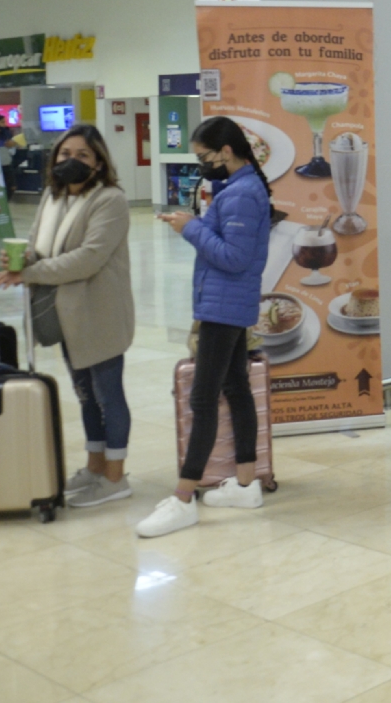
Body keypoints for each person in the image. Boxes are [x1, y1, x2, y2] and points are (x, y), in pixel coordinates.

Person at [137, 116, 272, 538]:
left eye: (204, 157)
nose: (202, 165)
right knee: (234, 387)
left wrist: (190, 228)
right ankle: (246, 484)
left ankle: (183, 498)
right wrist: (193, 222)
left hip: (223, 307)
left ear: (226, 152)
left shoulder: (243, 194)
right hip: (226, 304)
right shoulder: (240, 188)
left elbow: (233, 258)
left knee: (203, 398)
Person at [0, 124, 134, 508]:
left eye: (83, 155)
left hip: (98, 313)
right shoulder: (52, 198)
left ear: (99, 162)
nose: (72, 161)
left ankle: (116, 478)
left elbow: (88, 258)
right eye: (65, 154)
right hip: (65, 314)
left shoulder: (110, 200)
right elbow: (41, 247)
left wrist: (31, 272)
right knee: (85, 395)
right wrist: (22, 261)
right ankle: (95, 466)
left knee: (108, 396)